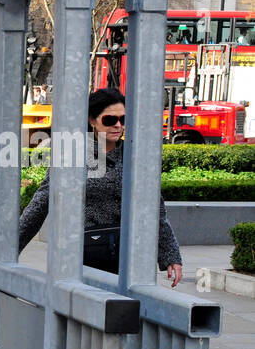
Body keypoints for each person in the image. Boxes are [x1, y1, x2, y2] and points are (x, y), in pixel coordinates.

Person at [18, 88, 183, 286]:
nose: (118, 125)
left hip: (130, 259)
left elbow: (155, 208)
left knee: (124, 313)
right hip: (84, 257)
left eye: (123, 119)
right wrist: (12, 246)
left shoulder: (135, 156)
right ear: (92, 120)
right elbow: (42, 201)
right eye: (110, 120)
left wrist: (170, 257)